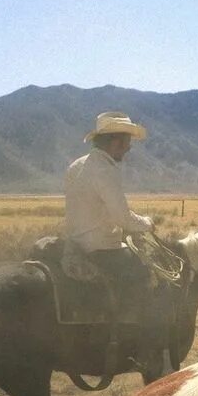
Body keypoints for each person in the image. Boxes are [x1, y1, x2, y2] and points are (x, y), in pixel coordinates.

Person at [65, 111, 163, 371]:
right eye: (126, 142)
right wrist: (147, 223)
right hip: (101, 247)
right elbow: (122, 217)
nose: (128, 148)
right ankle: (140, 346)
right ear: (115, 142)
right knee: (145, 274)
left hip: (76, 244)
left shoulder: (77, 165)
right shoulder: (105, 170)